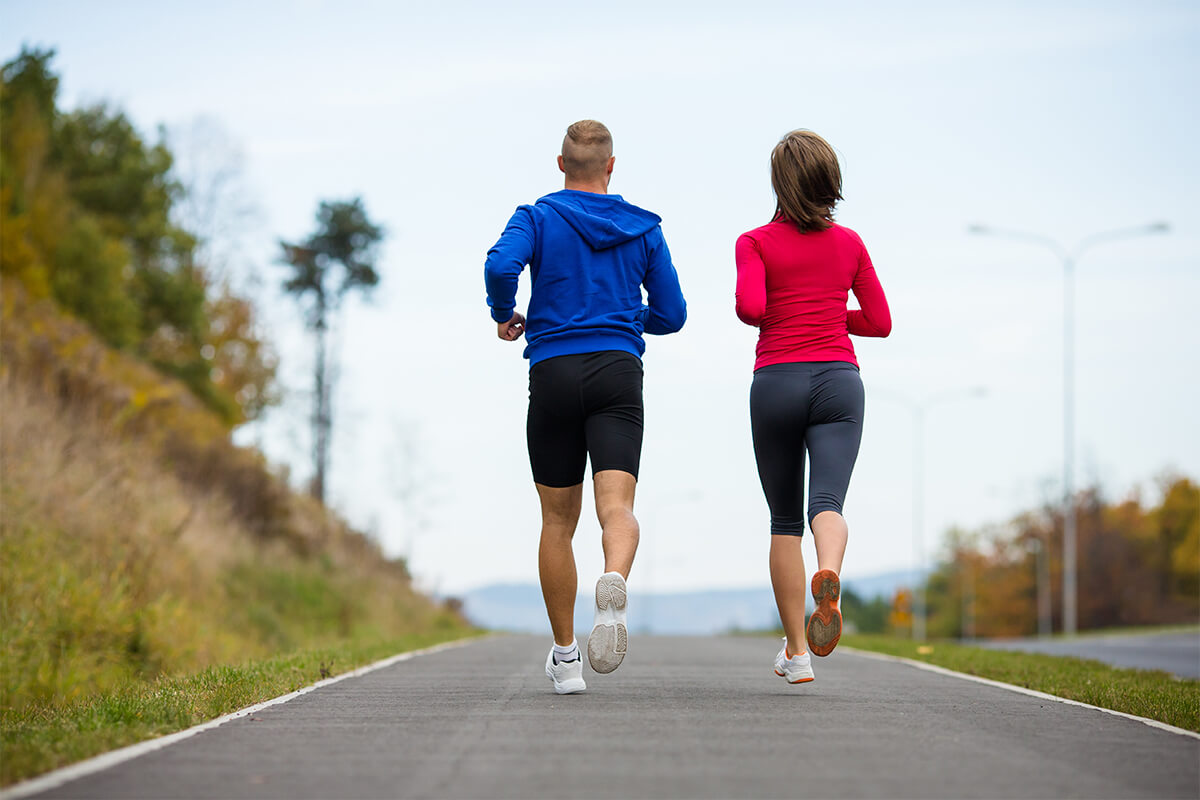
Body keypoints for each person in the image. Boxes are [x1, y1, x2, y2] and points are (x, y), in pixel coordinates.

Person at [484, 120, 687, 694]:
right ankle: (613, 580)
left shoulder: (536, 216)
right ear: (611, 167)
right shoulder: (644, 228)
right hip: (617, 373)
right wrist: (622, 316)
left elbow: (501, 267)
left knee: (555, 520)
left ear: (560, 163)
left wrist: (506, 312)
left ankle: (566, 659)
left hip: (552, 371)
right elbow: (672, 314)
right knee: (616, 507)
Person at [734, 129, 891, 684]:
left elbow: (750, 308)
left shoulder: (754, 242)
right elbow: (880, 322)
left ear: (779, 183)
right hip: (838, 382)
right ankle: (830, 571)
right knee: (826, 502)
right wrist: (827, 313)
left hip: (776, 379)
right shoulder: (850, 243)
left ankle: (798, 653)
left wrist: (786, 309)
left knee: (783, 521)